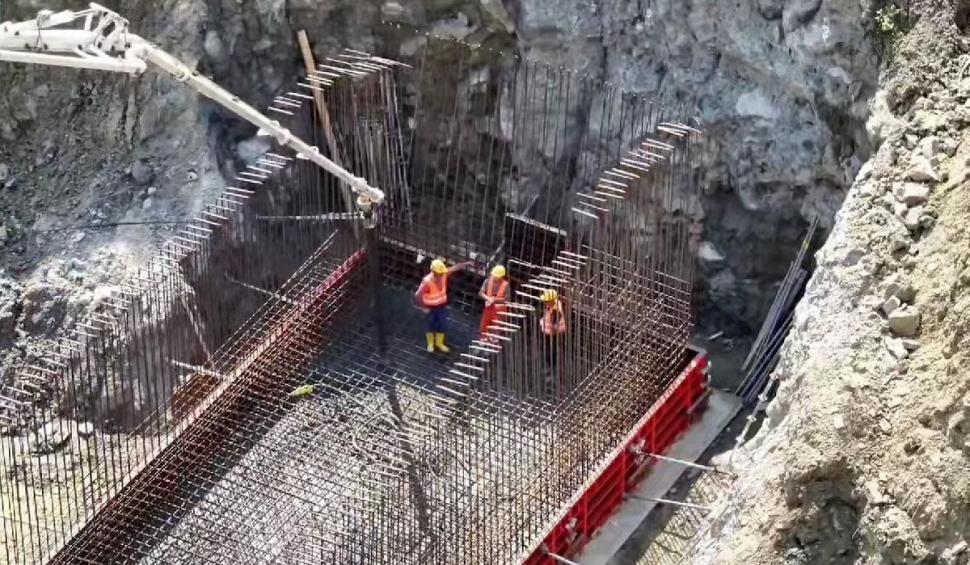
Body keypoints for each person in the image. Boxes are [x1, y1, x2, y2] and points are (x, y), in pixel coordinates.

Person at [414, 258, 474, 353]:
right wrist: (423, 307)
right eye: (440, 273)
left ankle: (439, 343)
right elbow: (418, 295)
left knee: (442, 324)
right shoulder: (427, 282)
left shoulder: (443, 274)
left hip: (440, 306)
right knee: (430, 325)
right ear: (434, 272)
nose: (442, 275)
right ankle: (430, 343)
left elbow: (454, 268)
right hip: (430, 307)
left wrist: (466, 263)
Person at [540, 288, 567, 394]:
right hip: (551, 337)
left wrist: (543, 323)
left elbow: (554, 327)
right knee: (551, 360)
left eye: (546, 300)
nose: (545, 301)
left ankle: (555, 386)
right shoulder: (555, 304)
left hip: (552, 338)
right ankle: (553, 384)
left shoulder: (555, 311)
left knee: (551, 360)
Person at [478, 265, 509, 342]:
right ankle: (483, 339)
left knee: (497, 326)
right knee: (484, 324)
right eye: (494, 275)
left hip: (499, 309)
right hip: (488, 307)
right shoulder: (488, 281)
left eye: (497, 276)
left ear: (501, 276)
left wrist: (495, 300)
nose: (495, 277)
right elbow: (481, 293)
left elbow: (507, 299)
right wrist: (488, 298)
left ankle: (494, 340)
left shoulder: (505, 285)